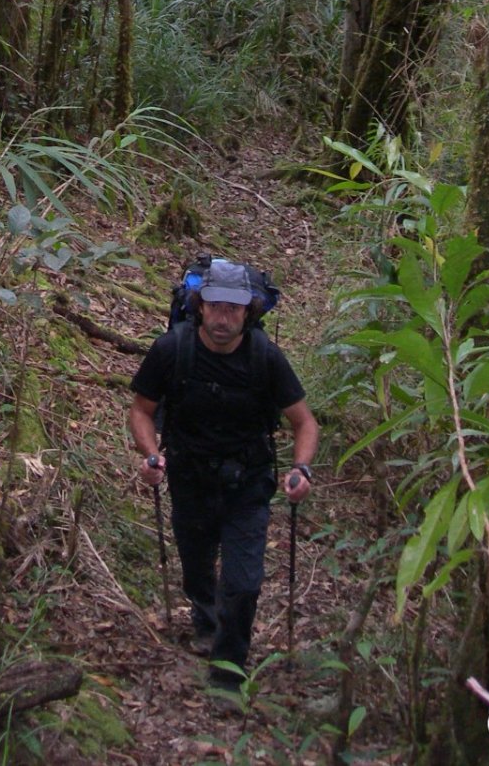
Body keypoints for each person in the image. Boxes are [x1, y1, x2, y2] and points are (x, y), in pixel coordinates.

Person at [128, 257, 319, 696]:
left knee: (244, 582)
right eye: (215, 306)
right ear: (199, 306)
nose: (222, 318)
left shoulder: (266, 358)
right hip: (190, 478)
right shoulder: (171, 349)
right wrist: (151, 454)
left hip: (248, 484)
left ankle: (228, 672)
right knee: (197, 568)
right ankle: (205, 618)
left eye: (233, 309)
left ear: (249, 312)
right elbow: (142, 409)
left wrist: (301, 468)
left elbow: (304, 422)